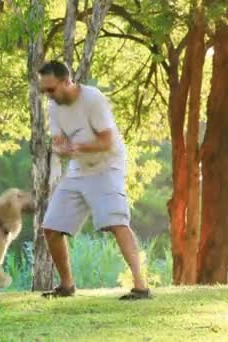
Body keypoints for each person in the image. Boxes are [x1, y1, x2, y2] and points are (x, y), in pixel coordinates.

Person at [37, 60, 151, 300]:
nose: (48, 95)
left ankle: (141, 287)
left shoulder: (92, 99)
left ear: (67, 82)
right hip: (79, 169)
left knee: (116, 222)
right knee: (51, 228)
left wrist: (75, 146)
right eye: (44, 90)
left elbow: (106, 141)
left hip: (107, 166)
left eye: (51, 89)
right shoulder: (55, 106)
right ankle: (66, 286)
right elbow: (58, 142)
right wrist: (61, 148)